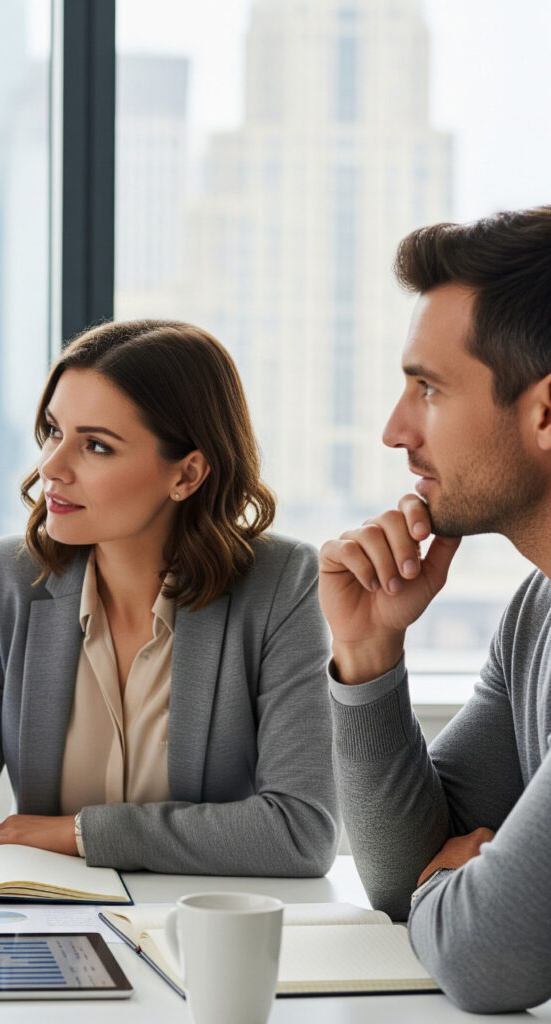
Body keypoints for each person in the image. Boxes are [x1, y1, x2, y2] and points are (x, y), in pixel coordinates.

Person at [0, 319, 338, 877]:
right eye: (54, 431)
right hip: (43, 921)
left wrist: (76, 833)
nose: (51, 468)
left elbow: (301, 831)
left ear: (187, 474)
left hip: (198, 931)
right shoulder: (5, 578)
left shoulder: (280, 584)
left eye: (97, 446)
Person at [319, 206, 551, 1013]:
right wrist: (368, 649)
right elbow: (395, 873)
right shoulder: (538, 610)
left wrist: (454, 882)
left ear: (547, 414)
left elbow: (488, 960)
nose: (395, 430)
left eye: (429, 388)